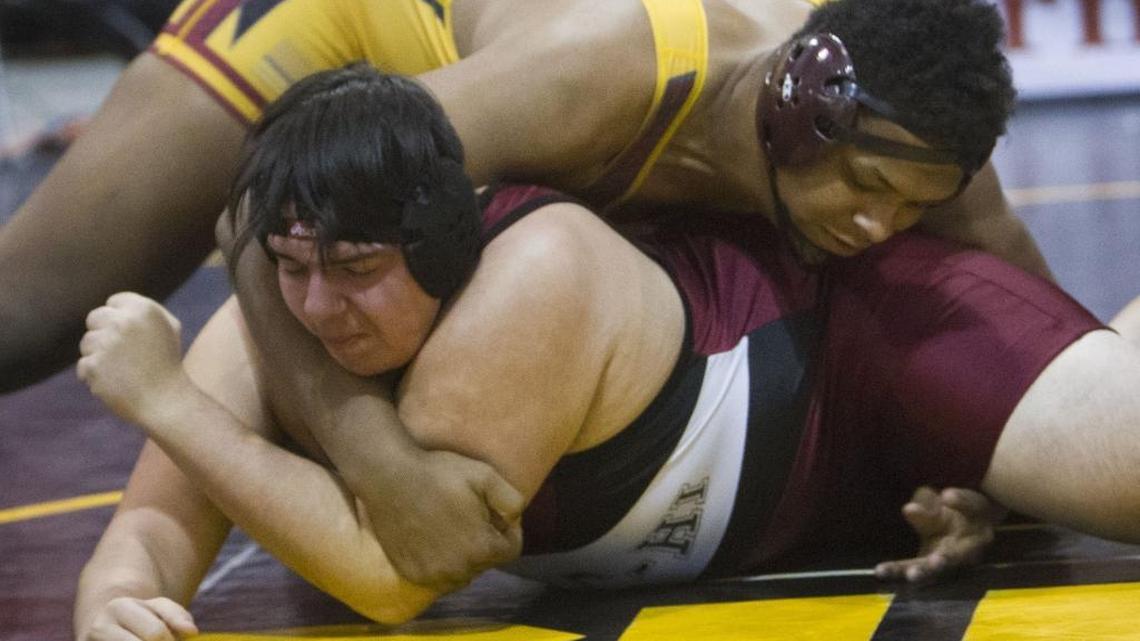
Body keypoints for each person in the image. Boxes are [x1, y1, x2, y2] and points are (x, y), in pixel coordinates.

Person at [74, 65, 1140, 640]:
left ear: (448, 245)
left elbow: (395, 579)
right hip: (786, 490)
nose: (320, 307)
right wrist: (110, 603)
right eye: (291, 266)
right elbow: (149, 531)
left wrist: (164, 399)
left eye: (357, 268)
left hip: (857, 354)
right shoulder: (276, 324)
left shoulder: (528, 280)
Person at [12, 0, 1024, 587]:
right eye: (868, 192)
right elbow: (256, 204)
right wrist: (382, 461)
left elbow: (1029, 332)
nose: (877, 223)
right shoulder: (597, 74)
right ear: (803, 115)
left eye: (905, 203)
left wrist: (987, 479)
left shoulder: (904, 124)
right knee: (32, 314)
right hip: (345, 23)